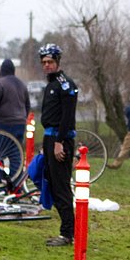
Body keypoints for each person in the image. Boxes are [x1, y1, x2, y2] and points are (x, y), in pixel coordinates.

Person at [38, 43, 78, 247]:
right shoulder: (51, 84)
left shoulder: (64, 84)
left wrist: (59, 142)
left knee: (61, 186)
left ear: (57, 62)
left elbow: (67, 117)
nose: (47, 65)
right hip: (49, 138)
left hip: (60, 139)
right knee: (52, 184)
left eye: (50, 62)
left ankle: (68, 233)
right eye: (44, 62)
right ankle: (68, 229)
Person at [0, 58, 30, 191]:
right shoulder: (22, 85)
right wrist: (22, 118)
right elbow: (27, 106)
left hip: (2, 125)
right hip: (19, 124)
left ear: (1, 70)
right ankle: (16, 186)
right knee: (15, 154)